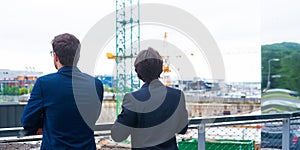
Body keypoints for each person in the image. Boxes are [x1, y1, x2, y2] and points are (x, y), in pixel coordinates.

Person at [21, 33, 103, 149]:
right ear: (78, 56)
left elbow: (27, 122)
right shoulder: (96, 84)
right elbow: (93, 117)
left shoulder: (44, 84)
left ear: (55, 56)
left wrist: (44, 125)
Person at [111, 47, 188, 150]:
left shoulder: (132, 99)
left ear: (138, 73)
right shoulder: (177, 95)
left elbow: (118, 135)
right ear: (160, 69)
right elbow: (182, 129)